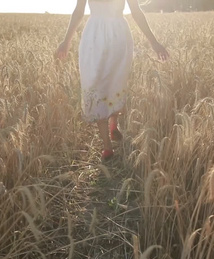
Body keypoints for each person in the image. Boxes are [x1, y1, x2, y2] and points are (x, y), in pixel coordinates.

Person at [55, 0, 169, 160]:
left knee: (112, 83)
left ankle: (111, 130)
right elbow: (79, 11)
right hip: (107, 36)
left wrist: (154, 42)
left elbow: (135, 11)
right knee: (99, 84)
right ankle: (108, 143)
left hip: (107, 35)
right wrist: (65, 42)